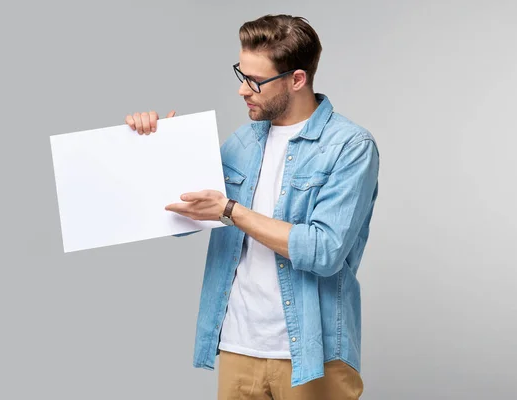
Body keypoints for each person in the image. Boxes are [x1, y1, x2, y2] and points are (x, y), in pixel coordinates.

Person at [125, 14, 379, 400]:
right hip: (237, 348)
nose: (243, 91)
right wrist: (158, 147)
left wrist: (231, 210)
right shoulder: (241, 143)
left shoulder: (350, 146)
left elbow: (324, 251)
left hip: (311, 353)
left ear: (297, 79)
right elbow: (180, 220)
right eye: (241, 75)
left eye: (255, 81)